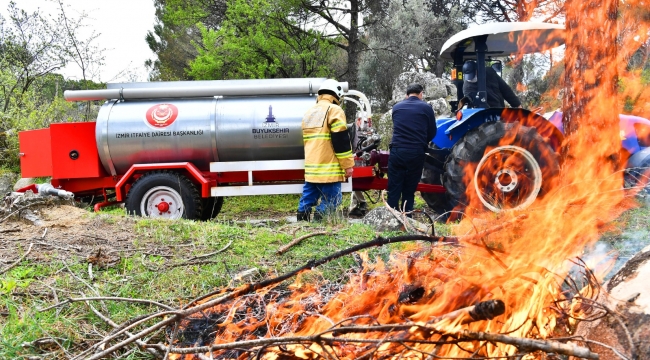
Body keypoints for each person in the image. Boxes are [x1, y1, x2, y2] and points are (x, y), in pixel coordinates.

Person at [297, 79, 354, 222]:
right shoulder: (334, 110)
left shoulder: (309, 112)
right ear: (336, 95)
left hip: (312, 168)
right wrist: (347, 165)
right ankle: (318, 225)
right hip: (329, 169)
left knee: (308, 198)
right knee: (332, 200)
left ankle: (302, 226)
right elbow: (340, 140)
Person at [387, 83, 436, 215]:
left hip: (397, 150)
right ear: (421, 94)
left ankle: (392, 215)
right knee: (410, 186)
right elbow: (432, 131)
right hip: (416, 152)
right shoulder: (427, 108)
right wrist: (421, 142)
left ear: (406, 95)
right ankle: (407, 215)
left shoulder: (396, 107)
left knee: (394, 185)